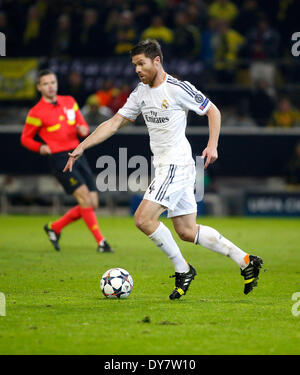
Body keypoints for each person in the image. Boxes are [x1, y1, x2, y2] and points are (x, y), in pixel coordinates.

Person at [64, 40, 263, 299]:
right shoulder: (140, 92)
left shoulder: (177, 88)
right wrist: (82, 146)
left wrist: (212, 145)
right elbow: (114, 123)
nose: (137, 69)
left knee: (143, 219)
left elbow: (213, 111)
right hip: (164, 167)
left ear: (156, 61)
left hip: (176, 165)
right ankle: (245, 260)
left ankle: (184, 270)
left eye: (141, 64)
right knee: (187, 231)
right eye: (134, 65)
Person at [21, 69, 113, 253]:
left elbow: (84, 127)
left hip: (78, 154)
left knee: (92, 202)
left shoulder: (69, 102)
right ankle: (101, 242)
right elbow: (25, 138)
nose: (50, 86)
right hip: (60, 159)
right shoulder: (36, 112)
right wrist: (40, 147)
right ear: (39, 87)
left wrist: (82, 129)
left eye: (53, 82)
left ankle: (54, 228)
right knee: (85, 199)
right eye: (46, 83)